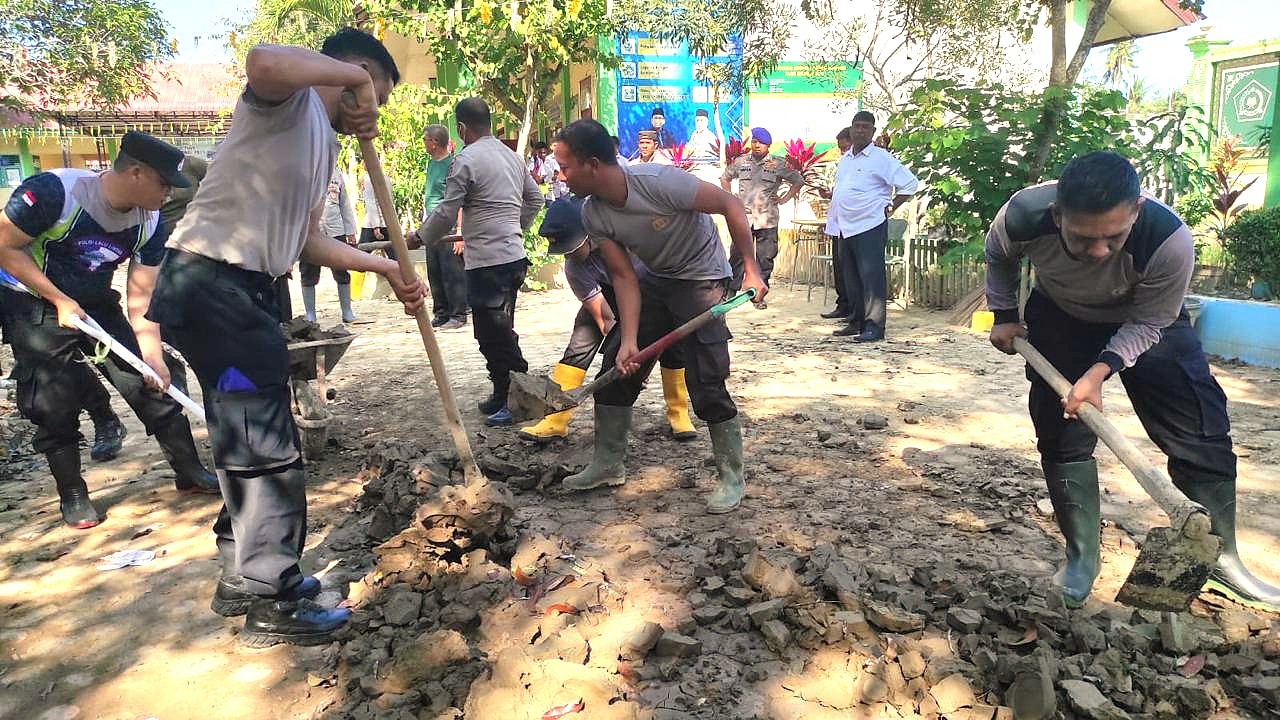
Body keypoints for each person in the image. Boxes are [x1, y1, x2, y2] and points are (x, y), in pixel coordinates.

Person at [146, 28, 425, 646]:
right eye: (371, 91)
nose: (369, 112)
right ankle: (269, 597)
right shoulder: (288, 101)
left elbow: (303, 240)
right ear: (347, 71)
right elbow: (261, 61)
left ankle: (241, 567)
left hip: (238, 291)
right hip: (212, 283)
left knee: (244, 431)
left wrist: (385, 267)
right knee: (264, 440)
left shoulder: (321, 145)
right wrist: (350, 80)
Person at [987, 151, 1280, 613]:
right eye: (1083, 238)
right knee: (1060, 434)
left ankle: (1222, 561)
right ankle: (1082, 559)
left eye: (1114, 237)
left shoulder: (1169, 239)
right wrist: (1004, 314)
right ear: (1058, 215)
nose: (1099, 251)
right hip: (1061, 317)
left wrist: (1100, 370)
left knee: (1201, 432)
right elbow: (998, 256)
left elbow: (1150, 323)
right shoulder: (1023, 214)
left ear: (1137, 211)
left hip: (1148, 322)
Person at [0, 131, 221, 531]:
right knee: (51, 398)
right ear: (136, 173)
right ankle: (73, 494)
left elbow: (141, 293)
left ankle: (190, 471)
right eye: (164, 183)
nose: (169, 194)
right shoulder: (55, 193)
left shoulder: (150, 221)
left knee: (150, 379)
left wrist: (151, 355)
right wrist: (57, 299)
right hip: (33, 300)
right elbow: (5, 246)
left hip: (96, 301)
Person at [551, 119, 767, 515]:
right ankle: (607, 463)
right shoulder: (593, 213)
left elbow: (730, 205)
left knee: (705, 377)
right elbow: (623, 276)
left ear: (593, 164)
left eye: (565, 167)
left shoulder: (659, 181)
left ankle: (730, 475)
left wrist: (751, 268)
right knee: (617, 364)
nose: (559, 175)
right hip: (654, 279)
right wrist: (630, 338)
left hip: (701, 277)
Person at [517, 195, 696, 443]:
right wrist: (623, 361)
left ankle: (679, 414)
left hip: (652, 287)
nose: (568, 255)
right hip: (609, 292)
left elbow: (651, 318)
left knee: (671, 347)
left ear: (589, 233)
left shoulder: (631, 242)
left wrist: (643, 363)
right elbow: (606, 321)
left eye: (572, 247)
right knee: (579, 344)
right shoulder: (575, 268)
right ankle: (555, 420)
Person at [413, 98, 543, 427]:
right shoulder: (511, 157)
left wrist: (420, 237)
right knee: (496, 331)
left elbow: (446, 210)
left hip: (488, 263)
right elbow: (536, 198)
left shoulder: (466, 160)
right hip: (512, 259)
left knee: (492, 334)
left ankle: (516, 395)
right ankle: (503, 392)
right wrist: (515, 227)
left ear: (460, 128)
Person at [826, 111, 918, 342]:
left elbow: (909, 184)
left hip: (869, 224)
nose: (860, 131)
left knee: (871, 278)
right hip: (845, 226)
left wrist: (891, 207)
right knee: (851, 278)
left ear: (873, 132)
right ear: (851, 128)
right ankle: (856, 322)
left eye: (866, 128)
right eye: (857, 126)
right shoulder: (847, 157)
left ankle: (874, 327)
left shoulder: (881, 158)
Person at [720, 126, 804, 307]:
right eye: (754, 142)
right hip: (744, 219)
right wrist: (730, 198)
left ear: (768, 146)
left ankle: (758, 296)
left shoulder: (778, 164)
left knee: (765, 258)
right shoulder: (741, 162)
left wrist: (784, 198)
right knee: (737, 256)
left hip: (767, 218)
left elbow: (798, 180)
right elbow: (725, 178)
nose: (757, 145)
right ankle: (730, 292)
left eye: (761, 143)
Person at [421, 123, 468, 330]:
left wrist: (460, 232)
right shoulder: (431, 163)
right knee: (435, 270)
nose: (423, 143)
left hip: (448, 225)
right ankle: (441, 312)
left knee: (452, 272)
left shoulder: (452, 165)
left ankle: (458, 314)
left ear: (435, 142)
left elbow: (458, 200)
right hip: (431, 224)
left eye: (425, 139)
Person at [300, 166, 358, 323]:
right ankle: (310, 314)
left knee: (341, 271)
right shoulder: (303, 171)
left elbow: (344, 204)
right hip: (310, 231)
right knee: (308, 272)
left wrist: (350, 230)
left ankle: (347, 311)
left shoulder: (336, 173)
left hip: (335, 230)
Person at [820, 127, 854, 321]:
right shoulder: (843, 163)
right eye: (840, 148)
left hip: (854, 224)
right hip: (837, 223)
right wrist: (830, 194)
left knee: (851, 270)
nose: (843, 151)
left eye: (845, 147)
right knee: (839, 267)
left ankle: (854, 309)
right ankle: (843, 304)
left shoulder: (865, 162)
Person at [359, 168, 390, 252]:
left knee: (362, 254)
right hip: (387, 221)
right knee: (395, 255)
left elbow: (371, 202)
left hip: (372, 223)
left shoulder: (368, 179)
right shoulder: (386, 178)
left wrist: (376, 226)